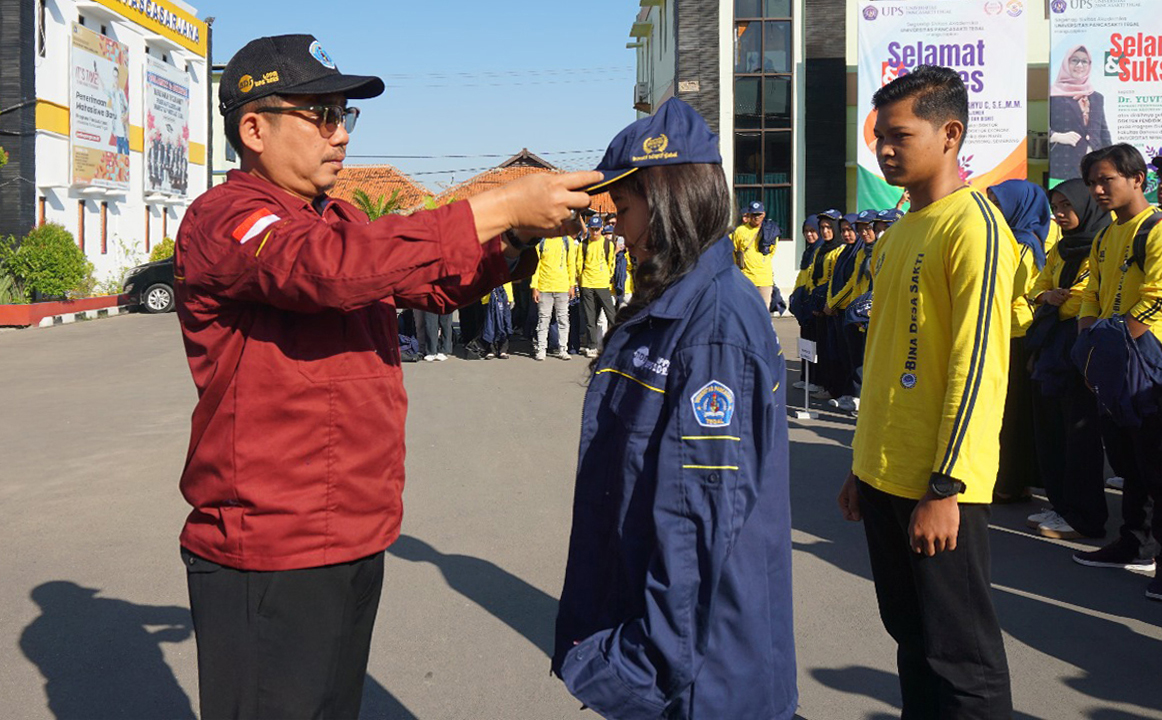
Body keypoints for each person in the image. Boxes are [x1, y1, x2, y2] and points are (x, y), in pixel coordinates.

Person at [174, 34, 600, 719]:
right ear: (254, 127)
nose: (341, 134)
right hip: (271, 545)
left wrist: (516, 239)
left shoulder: (336, 217)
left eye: (346, 116)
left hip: (352, 528)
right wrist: (498, 207)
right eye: (322, 115)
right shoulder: (228, 218)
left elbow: (435, 286)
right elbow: (331, 268)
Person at [553, 98, 797, 719]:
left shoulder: (713, 320)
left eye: (627, 207)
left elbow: (698, 519)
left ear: (668, 202)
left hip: (699, 668)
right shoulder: (674, 302)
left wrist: (643, 663)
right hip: (670, 637)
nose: (622, 229)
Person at [837, 65, 1016, 717]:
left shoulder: (972, 228)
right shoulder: (898, 233)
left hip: (939, 486)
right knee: (912, 643)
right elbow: (882, 363)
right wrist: (861, 466)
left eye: (899, 135)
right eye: (880, 136)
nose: (885, 148)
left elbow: (978, 370)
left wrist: (947, 488)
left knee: (960, 659)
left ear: (950, 134)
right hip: (886, 477)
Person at [1073, 143, 1162, 603]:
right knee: (1128, 461)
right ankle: (1134, 542)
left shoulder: (1156, 229)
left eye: (1106, 179)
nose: (1098, 190)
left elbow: (1158, 294)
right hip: (1112, 360)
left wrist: (1120, 343)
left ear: (1137, 180)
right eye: (1093, 182)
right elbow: (1092, 289)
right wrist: (1091, 342)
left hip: (1148, 364)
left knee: (1156, 461)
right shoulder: (1107, 235)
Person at [1025, 178, 1111, 539]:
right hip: (1052, 349)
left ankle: (1084, 514)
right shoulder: (1062, 249)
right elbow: (1035, 287)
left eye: (1066, 207)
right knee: (1053, 432)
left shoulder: (1101, 243)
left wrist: (1052, 299)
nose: (1059, 214)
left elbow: (1082, 298)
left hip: (1081, 347)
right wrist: (1047, 297)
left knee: (1080, 436)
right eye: (1055, 207)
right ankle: (1062, 505)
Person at [987, 179, 1051, 504]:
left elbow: (1008, 289)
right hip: (1008, 333)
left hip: (1015, 334)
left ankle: (1010, 484)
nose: (994, 210)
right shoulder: (1014, 238)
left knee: (1011, 415)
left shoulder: (1023, 243)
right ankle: (1014, 481)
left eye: (998, 204)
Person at [826, 209, 880, 413]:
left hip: (871, 311)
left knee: (868, 356)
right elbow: (852, 283)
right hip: (857, 311)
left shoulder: (881, 250)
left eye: (868, 228)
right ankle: (855, 395)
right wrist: (849, 306)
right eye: (861, 229)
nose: (864, 233)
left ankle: (861, 397)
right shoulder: (861, 252)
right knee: (855, 355)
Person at [1050, 46, 1113, 182]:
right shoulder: (1053, 95)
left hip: (1095, 167)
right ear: (1066, 63)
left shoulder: (1096, 97)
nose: (1080, 65)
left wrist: (1112, 160)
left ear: (1089, 65)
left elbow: (1103, 130)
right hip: (1063, 167)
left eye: (1084, 61)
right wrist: (1056, 136)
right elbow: (1041, 127)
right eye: (1075, 60)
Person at [532, 219, 580, 361]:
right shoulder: (541, 242)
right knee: (543, 320)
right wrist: (535, 287)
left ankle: (562, 349)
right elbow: (536, 266)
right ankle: (541, 349)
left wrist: (572, 285)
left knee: (563, 319)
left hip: (562, 287)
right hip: (544, 287)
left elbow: (572, 264)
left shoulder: (567, 241)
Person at [578, 215, 617, 358]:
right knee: (590, 317)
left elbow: (611, 263)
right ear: (589, 229)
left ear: (601, 228)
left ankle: (616, 344)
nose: (595, 232)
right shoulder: (584, 244)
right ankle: (592, 345)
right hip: (587, 283)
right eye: (592, 229)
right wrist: (581, 281)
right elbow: (578, 264)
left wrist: (607, 277)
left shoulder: (608, 244)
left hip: (602, 283)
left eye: (597, 229)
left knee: (611, 315)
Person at [731, 200, 777, 309]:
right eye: (754, 214)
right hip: (745, 279)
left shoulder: (770, 230)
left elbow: (771, 252)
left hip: (764, 280)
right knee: (745, 312)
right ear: (749, 214)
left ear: (764, 214)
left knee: (763, 314)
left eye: (759, 214)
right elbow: (733, 252)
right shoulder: (740, 231)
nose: (756, 217)